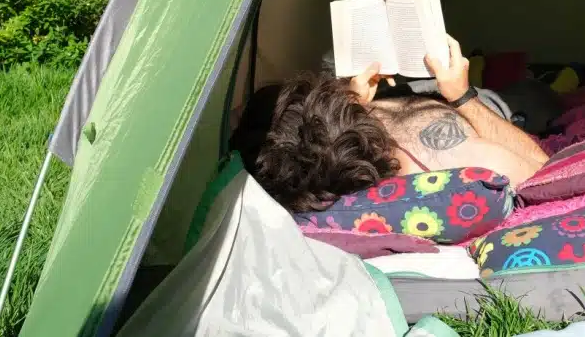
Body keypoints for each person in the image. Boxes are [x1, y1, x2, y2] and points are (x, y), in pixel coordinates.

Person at [233, 36, 548, 213]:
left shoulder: (337, 152)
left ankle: (479, 67)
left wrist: (353, 99)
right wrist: (463, 95)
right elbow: (544, 169)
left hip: (407, 97)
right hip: (480, 108)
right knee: (532, 92)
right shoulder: (455, 158)